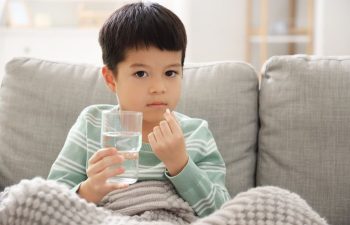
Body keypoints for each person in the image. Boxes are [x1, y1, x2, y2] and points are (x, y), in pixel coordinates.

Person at [47, 2, 230, 217]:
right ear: (111, 79)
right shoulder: (92, 124)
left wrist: (180, 164)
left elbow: (222, 212)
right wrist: (90, 189)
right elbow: (50, 202)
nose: (159, 88)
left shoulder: (195, 132)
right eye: (141, 74)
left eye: (170, 73)